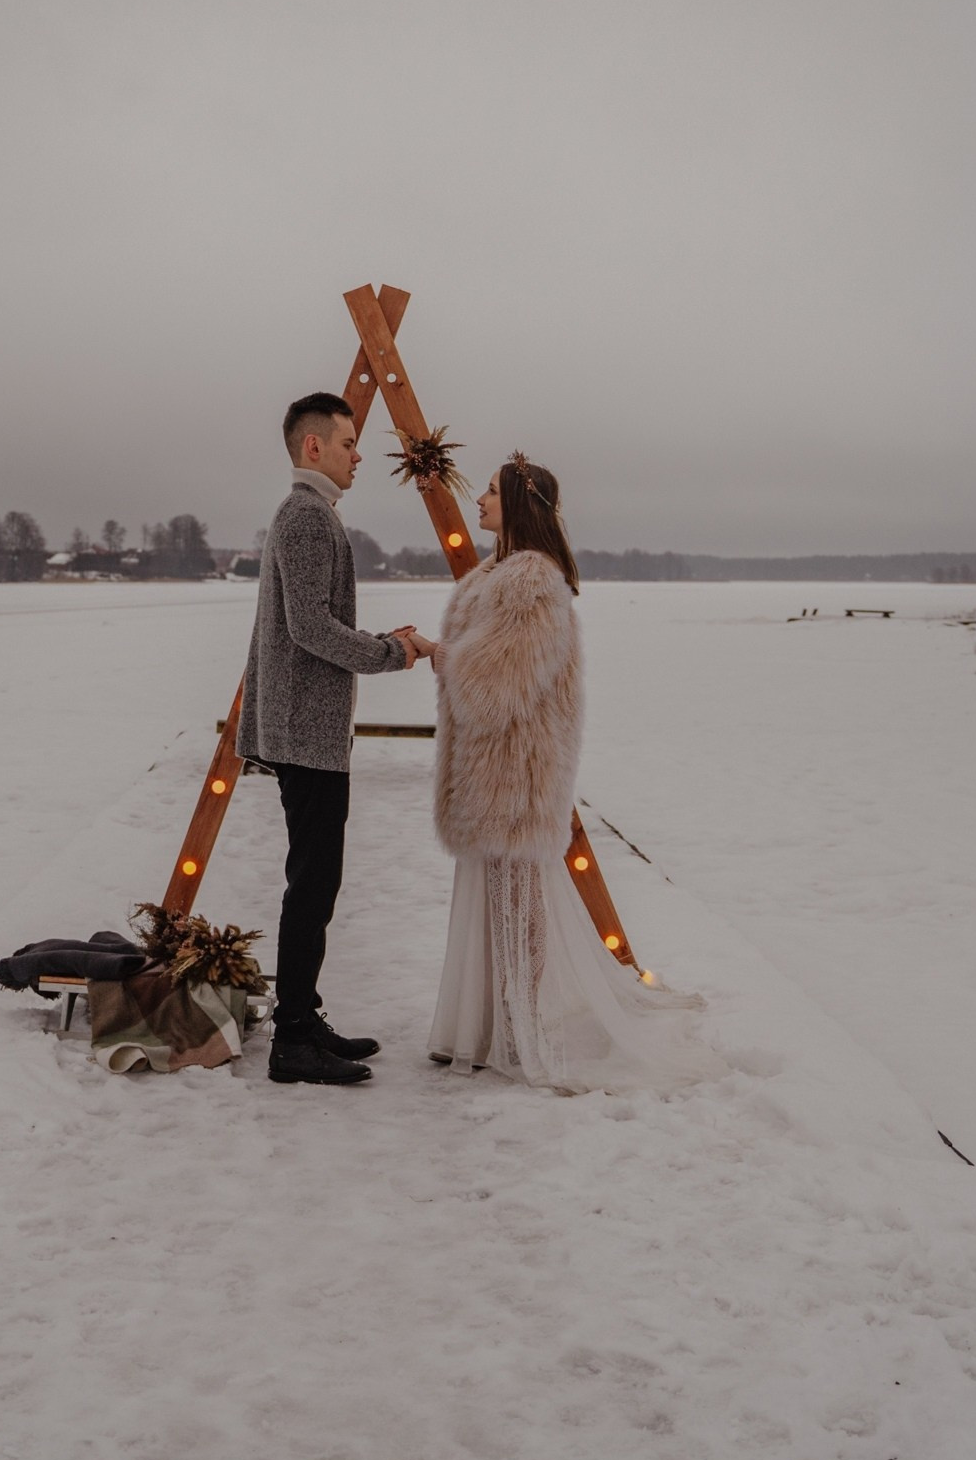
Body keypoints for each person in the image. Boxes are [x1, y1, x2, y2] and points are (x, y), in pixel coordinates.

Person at [408, 454, 722, 1092]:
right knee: (495, 899)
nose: (479, 502)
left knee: (518, 902)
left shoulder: (530, 578)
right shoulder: (497, 573)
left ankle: (521, 1027)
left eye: (491, 493)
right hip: (489, 766)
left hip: (516, 768)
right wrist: (443, 654)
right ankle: (489, 1026)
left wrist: (438, 655)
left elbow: (496, 685)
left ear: (518, 504)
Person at [238, 392, 431, 1086]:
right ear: (313, 446)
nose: (358, 456)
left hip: (307, 729)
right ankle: (292, 1040)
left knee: (316, 882)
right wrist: (391, 653)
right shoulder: (306, 516)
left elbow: (313, 623)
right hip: (304, 732)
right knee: (312, 886)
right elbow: (310, 628)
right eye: (349, 443)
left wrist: (383, 642)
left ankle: (303, 1015)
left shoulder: (311, 514)